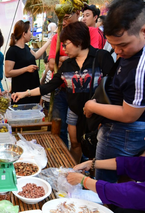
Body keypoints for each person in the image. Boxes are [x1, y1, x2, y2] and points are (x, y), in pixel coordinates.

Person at [85, 0, 145, 182]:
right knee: (127, 176)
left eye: (123, 45)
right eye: (113, 45)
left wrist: (91, 106)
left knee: (108, 180)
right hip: (143, 120)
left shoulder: (144, 68)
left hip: (125, 131)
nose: (118, 52)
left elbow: (130, 115)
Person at [11, 22, 114, 162]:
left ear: (78, 41)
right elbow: (50, 86)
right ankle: (75, 171)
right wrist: (25, 93)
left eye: (66, 44)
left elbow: (112, 87)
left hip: (98, 115)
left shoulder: (101, 57)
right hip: (75, 112)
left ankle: (93, 175)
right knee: (76, 144)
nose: (64, 49)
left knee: (96, 148)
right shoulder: (67, 65)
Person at [48, 9, 80, 149]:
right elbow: (51, 64)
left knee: (77, 133)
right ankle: (62, 153)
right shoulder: (57, 37)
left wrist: (61, 59)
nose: (65, 21)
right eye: (63, 18)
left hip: (80, 93)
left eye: (68, 16)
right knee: (60, 126)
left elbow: (84, 61)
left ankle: (83, 162)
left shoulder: (87, 33)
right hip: (61, 89)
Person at [4, 20, 51, 105]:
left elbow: (36, 55)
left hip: (32, 89)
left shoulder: (26, 47)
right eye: (29, 30)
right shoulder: (12, 51)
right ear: (23, 34)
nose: (31, 34)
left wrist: (49, 41)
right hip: (21, 91)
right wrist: (26, 69)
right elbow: (7, 73)